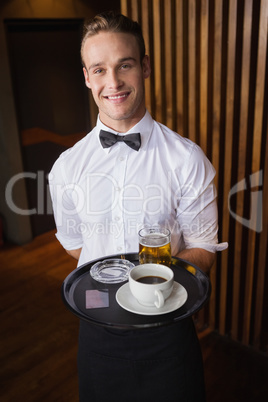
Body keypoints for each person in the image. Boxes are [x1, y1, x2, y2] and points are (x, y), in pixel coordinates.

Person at [49, 11, 227, 402]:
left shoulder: (187, 159)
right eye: (99, 70)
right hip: (95, 338)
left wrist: (149, 287)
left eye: (124, 65)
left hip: (169, 339)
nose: (112, 82)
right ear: (86, 77)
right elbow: (76, 245)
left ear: (144, 67)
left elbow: (203, 247)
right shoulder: (66, 168)